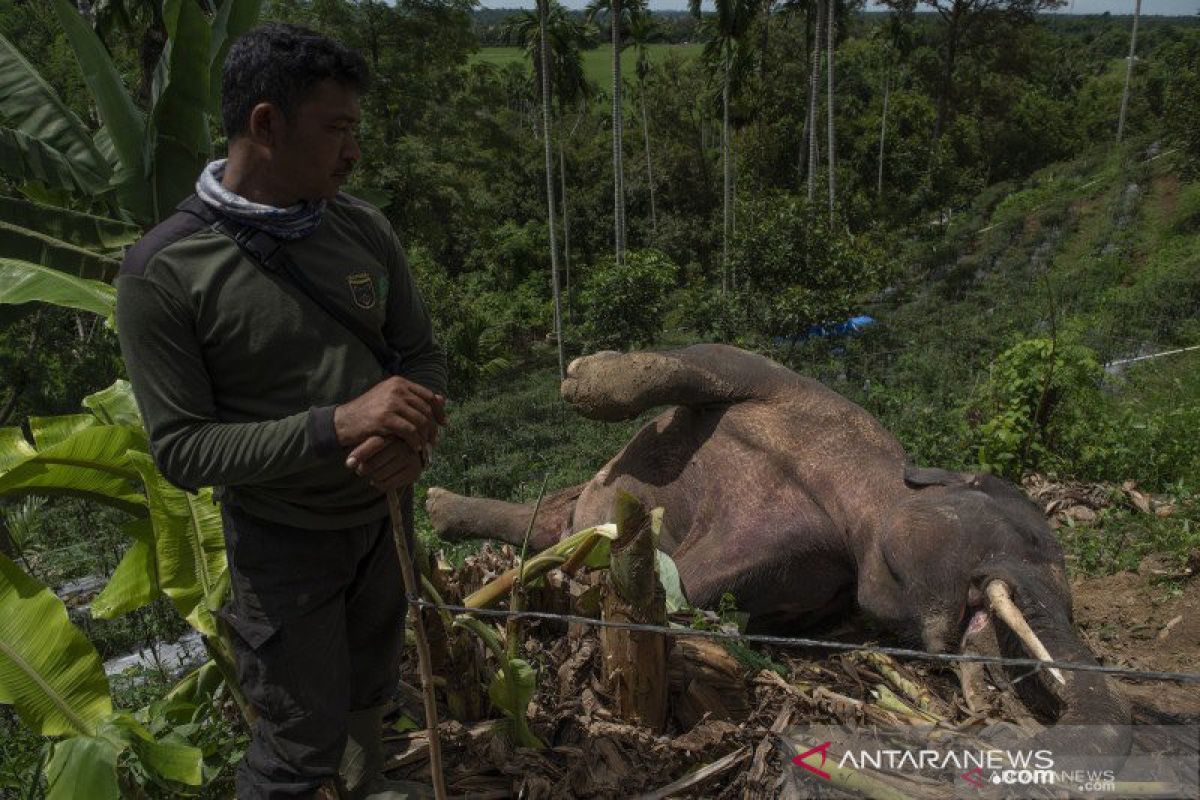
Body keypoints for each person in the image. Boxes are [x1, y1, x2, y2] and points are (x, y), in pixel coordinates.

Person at [114, 23, 447, 800]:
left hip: (381, 521)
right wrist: (338, 424)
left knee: (369, 701)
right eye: (337, 130)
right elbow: (183, 451)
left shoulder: (360, 228)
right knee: (298, 743)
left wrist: (411, 438)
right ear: (266, 125)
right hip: (283, 546)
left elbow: (421, 357)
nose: (353, 152)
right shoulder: (165, 272)